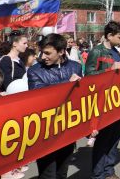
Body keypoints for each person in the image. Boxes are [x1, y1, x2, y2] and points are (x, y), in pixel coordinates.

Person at [27, 33, 83, 179]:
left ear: (61, 51)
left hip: (68, 128)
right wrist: (67, 84)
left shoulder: (76, 67)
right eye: (42, 52)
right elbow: (38, 95)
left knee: (62, 173)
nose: (43, 56)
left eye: (47, 53)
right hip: (46, 131)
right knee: (48, 175)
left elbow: (81, 98)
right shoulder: (35, 71)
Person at [85, 21, 120, 179]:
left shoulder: (116, 51)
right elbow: (88, 75)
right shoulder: (97, 51)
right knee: (103, 141)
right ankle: (98, 174)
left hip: (116, 101)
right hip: (102, 103)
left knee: (114, 138)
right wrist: (109, 70)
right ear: (109, 36)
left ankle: (109, 171)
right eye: (119, 37)